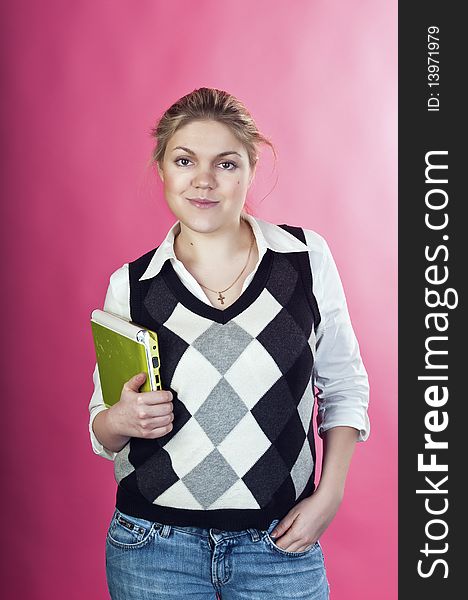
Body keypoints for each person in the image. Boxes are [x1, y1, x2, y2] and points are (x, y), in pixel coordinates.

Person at [88, 87, 370, 600]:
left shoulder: (305, 259)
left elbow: (344, 383)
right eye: (184, 160)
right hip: (153, 547)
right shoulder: (131, 285)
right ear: (163, 169)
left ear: (251, 169)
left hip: (279, 543)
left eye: (226, 163)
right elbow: (103, 427)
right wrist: (119, 420)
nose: (203, 179)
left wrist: (330, 495)